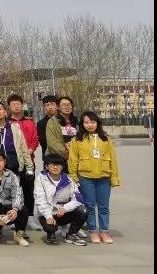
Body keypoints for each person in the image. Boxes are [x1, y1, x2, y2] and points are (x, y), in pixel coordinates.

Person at [0, 101, 34, 242]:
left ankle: (19, 230)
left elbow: (23, 147)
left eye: (0, 109)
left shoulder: (14, 127)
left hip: (13, 164)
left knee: (17, 197)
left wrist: (29, 167)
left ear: (5, 111)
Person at [68, 111, 120, 244]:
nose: (90, 125)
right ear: (82, 124)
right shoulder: (77, 140)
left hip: (104, 177)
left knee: (104, 206)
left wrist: (114, 178)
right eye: (86, 122)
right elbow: (73, 159)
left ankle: (104, 231)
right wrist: (74, 176)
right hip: (86, 177)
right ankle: (92, 231)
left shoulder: (106, 139)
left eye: (93, 122)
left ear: (97, 123)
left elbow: (113, 159)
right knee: (90, 206)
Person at [34, 153, 88, 245]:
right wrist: (49, 216)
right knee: (50, 226)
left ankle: (71, 235)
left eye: (58, 164)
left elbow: (78, 199)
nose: (55, 167)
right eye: (52, 164)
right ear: (46, 166)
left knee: (83, 210)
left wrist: (65, 208)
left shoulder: (69, 180)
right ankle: (51, 234)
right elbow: (40, 200)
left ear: (62, 166)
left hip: (63, 213)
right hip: (47, 213)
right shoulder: (41, 179)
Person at [7, 94, 40, 230]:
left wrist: (29, 151)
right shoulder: (7, 123)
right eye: (13, 104)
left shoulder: (30, 122)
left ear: (22, 105)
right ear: (9, 107)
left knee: (28, 191)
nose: (16, 106)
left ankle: (30, 218)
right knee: (11, 192)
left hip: (28, 162)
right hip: (12, 162)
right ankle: (12, 218)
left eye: (18, 104)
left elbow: (35, 139)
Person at [47, 97, 78, 164]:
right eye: (63, 105)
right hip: (59, 159)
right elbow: (52, 142)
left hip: (76, 158)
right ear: (58, 107)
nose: (67, 107)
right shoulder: (52, 121)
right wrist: (67, 154)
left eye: (69, 104)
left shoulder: (77, 121)